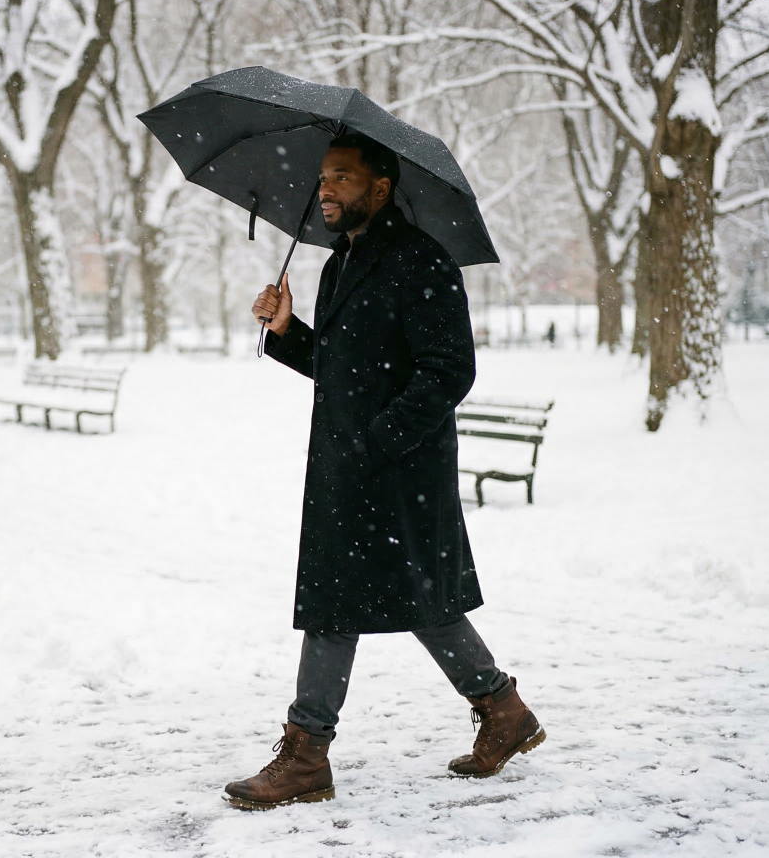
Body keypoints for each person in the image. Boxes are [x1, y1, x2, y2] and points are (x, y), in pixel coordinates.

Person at [227, 134, 545, 810]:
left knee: (337, 606)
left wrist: (379, 441)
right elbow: (344, 370)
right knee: (423, 600)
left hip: (398, 470)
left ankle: (306, 753)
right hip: (349, 467)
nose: (326, 190)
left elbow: (449, 368)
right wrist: (288, 330)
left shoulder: (421, 262)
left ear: (381, 187)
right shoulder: (338, 266)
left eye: (342, 177)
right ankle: (504, 710)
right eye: (322, 179)